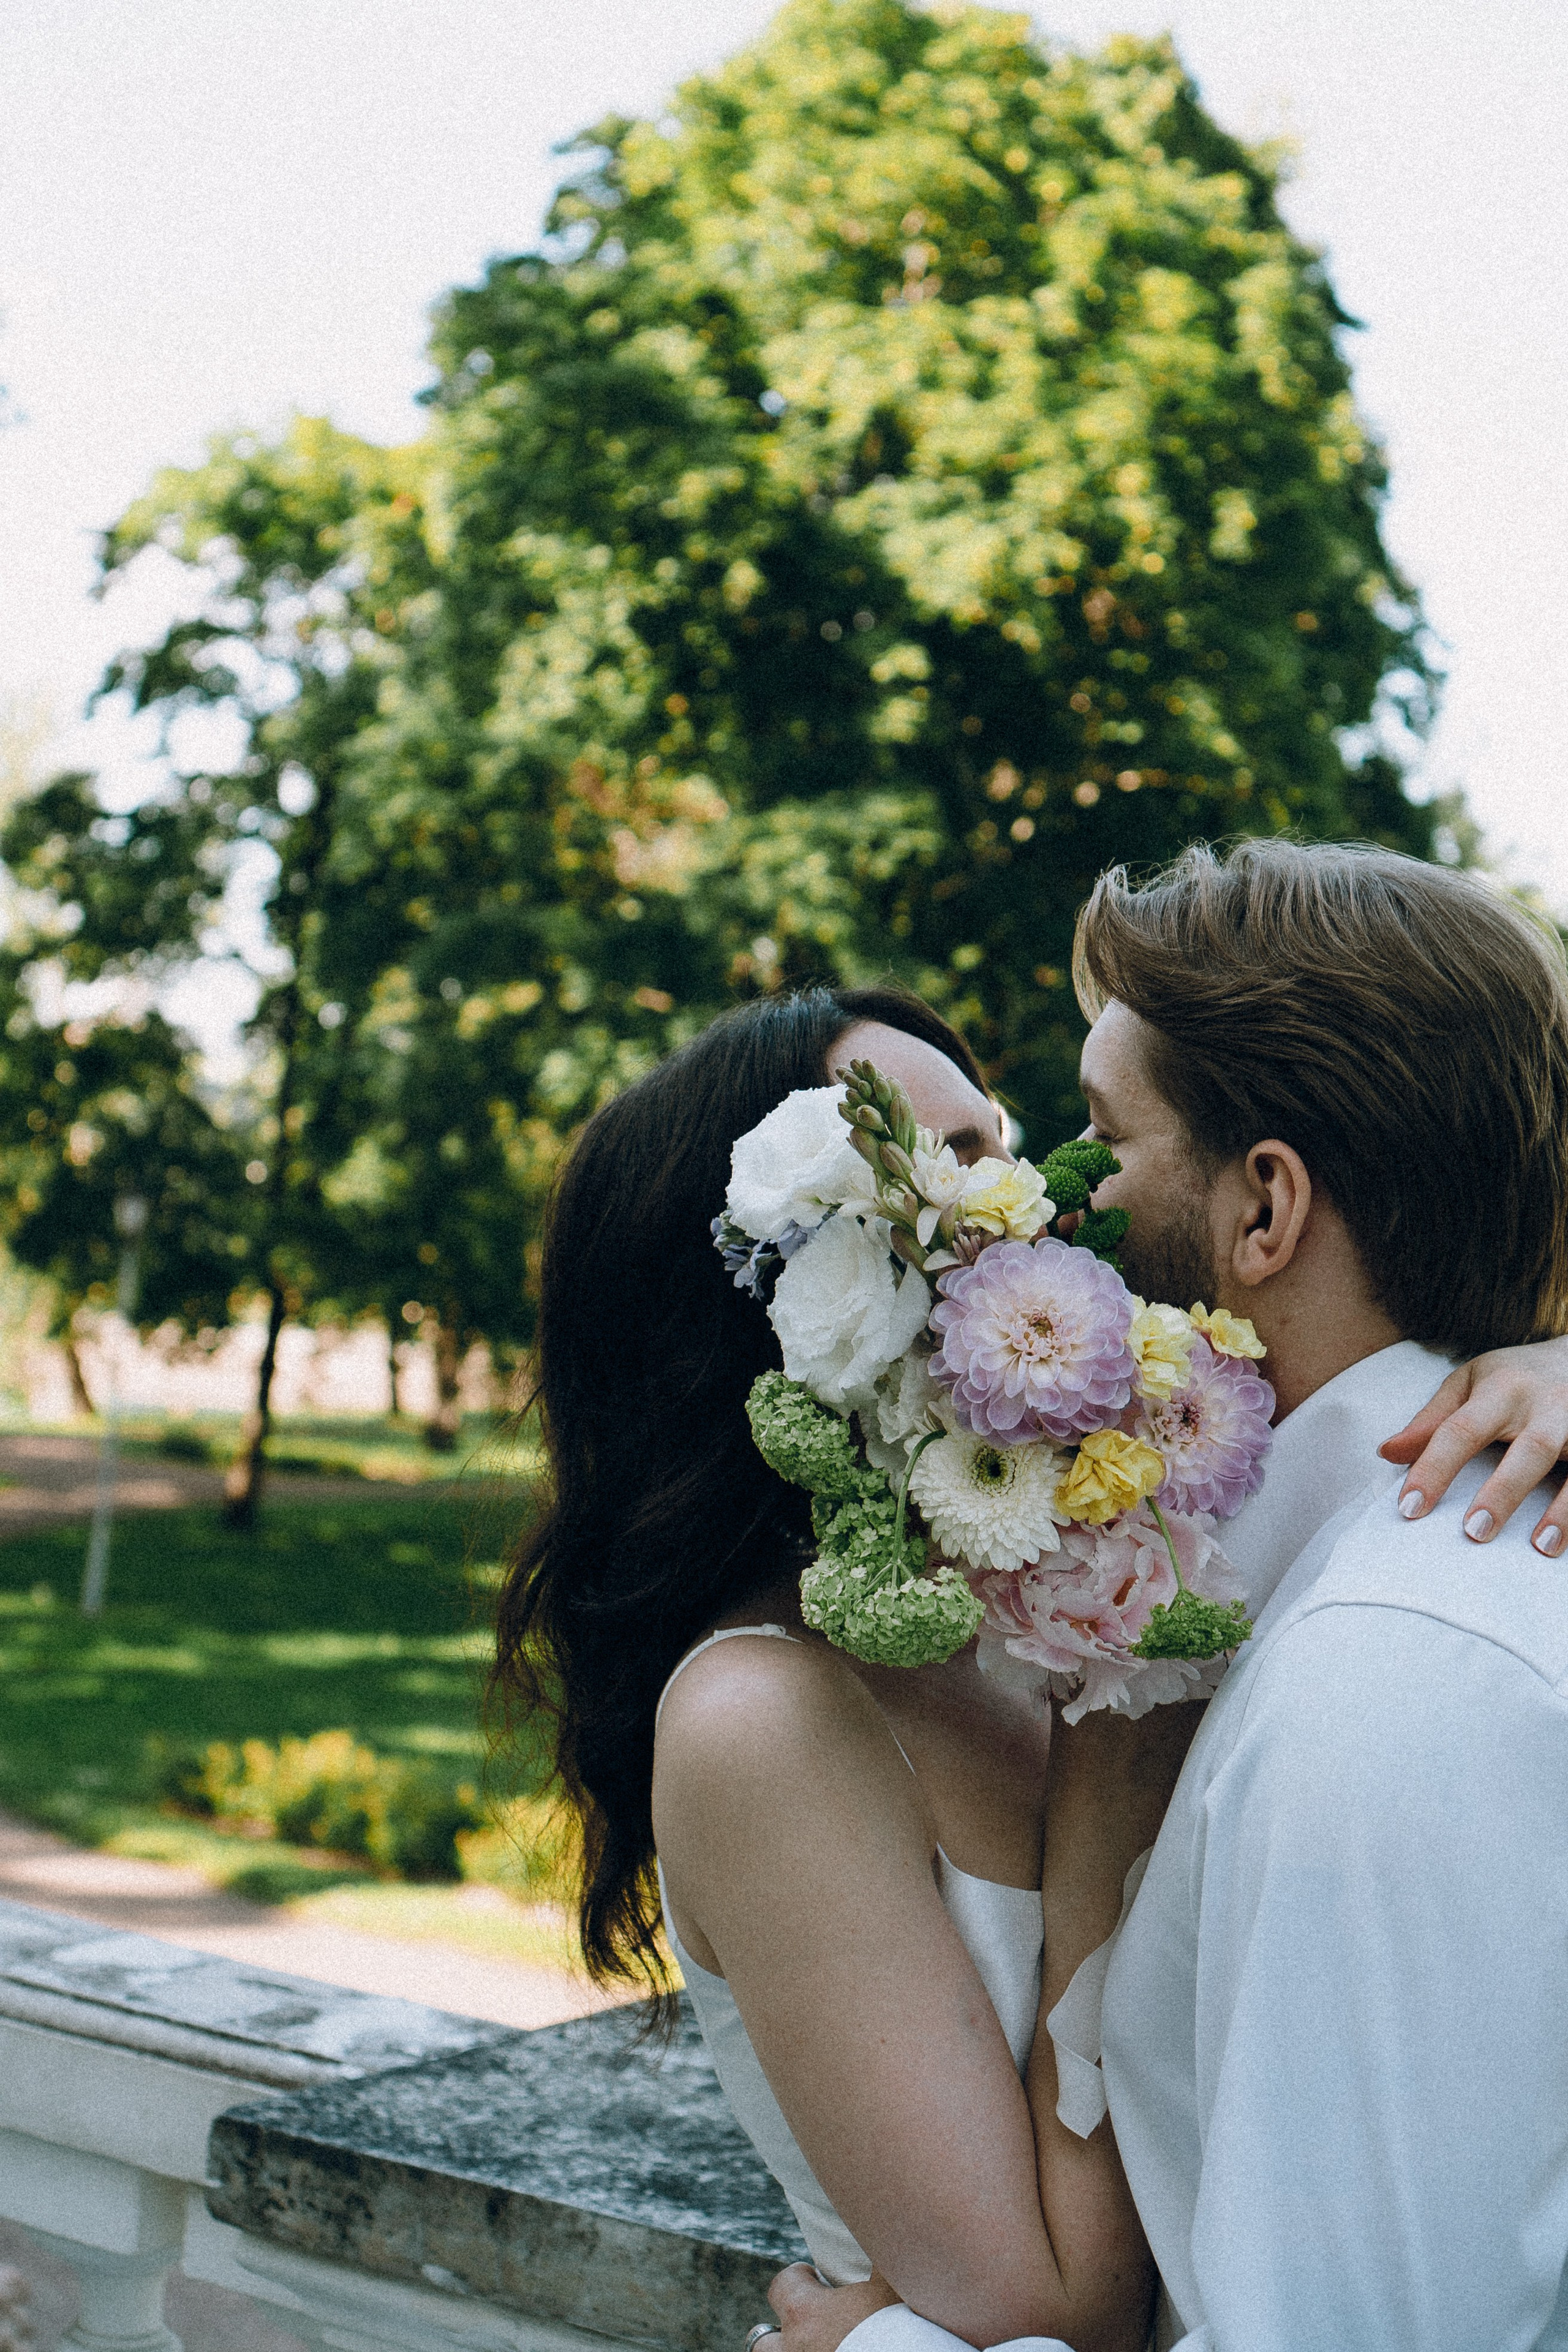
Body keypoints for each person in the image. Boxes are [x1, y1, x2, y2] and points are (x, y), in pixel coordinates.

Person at [490, 957, 1568, 2351]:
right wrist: (1102, 1804)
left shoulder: (1071, 1575)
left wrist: (1535, 1358)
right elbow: (1048, 2313)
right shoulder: (761, 1718)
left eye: (1002, 1145)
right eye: (950, 1166)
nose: (1044, 1204)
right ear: (788, 1285)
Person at [771, 840, 1568, 2352]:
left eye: (1094, 1140)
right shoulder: (1308, 1605)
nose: (1041, 1212)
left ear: (1262, 1211)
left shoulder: (1389, 1685)